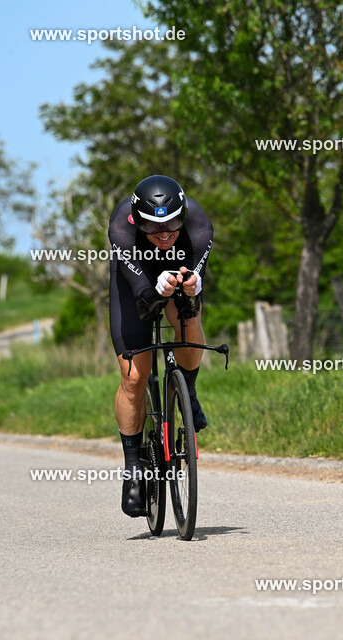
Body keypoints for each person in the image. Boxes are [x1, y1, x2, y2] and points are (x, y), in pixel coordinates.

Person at [108, 175, 213, 518]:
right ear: (137, 221)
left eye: (171, 225)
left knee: (188, 311)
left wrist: (189, 286)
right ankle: (133, 468)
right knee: (134, 379)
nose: (164, 233)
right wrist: (154, 290)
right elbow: (140, 291)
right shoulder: (120, 229)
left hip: (175, 274)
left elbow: (195, 277)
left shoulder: (198, 223)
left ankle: (189, 391)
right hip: (135, 281)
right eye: (154, 228)